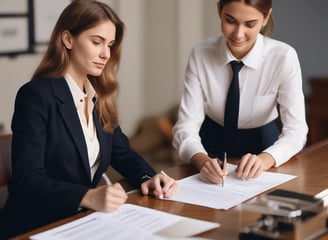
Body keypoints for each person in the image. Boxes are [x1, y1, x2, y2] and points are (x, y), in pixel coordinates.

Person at [0, 1, 177, 238]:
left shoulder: (98, 95)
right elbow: (28, 180)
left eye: (110, 45)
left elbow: (121, 152)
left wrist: (150, 177)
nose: (106, 54)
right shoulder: (36, 96)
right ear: (68, 39)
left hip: (82, 221)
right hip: (37, 226)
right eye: (96, 42)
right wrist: (88, 196)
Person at [173, 0, 308, 184]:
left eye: (250, 24)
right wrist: (201, 160)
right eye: (230, 20)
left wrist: (265, 159)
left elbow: (296, 131)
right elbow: (185, 126)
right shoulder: (201, 54)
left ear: (266, 17)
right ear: (219, 10)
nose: (238, 34)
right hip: (209, 143)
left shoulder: (283, 58)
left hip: (264, 146)